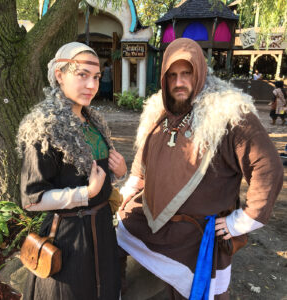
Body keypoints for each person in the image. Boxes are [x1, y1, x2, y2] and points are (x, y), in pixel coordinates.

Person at [116, 38, 283, 299]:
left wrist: (242, 221)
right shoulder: (159, 110)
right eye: (172, 76)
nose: (178, 82)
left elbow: (267, 166)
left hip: (195, 236)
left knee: (200, 293)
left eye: (186, 74)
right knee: (114, 235)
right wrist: (132, 186)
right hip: (152, 221)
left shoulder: (230, 113)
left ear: (200, 72)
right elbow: (144, 158)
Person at [17, 42, 127, 300]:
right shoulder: (45, 127)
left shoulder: (94, 122)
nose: (92, 85)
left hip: (102, 231)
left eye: (96, 77)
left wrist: (119, 171)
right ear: (60, 75)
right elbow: (30, 200)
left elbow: (101, 176)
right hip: (69, 241)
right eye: (82, 75)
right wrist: (84, 193)